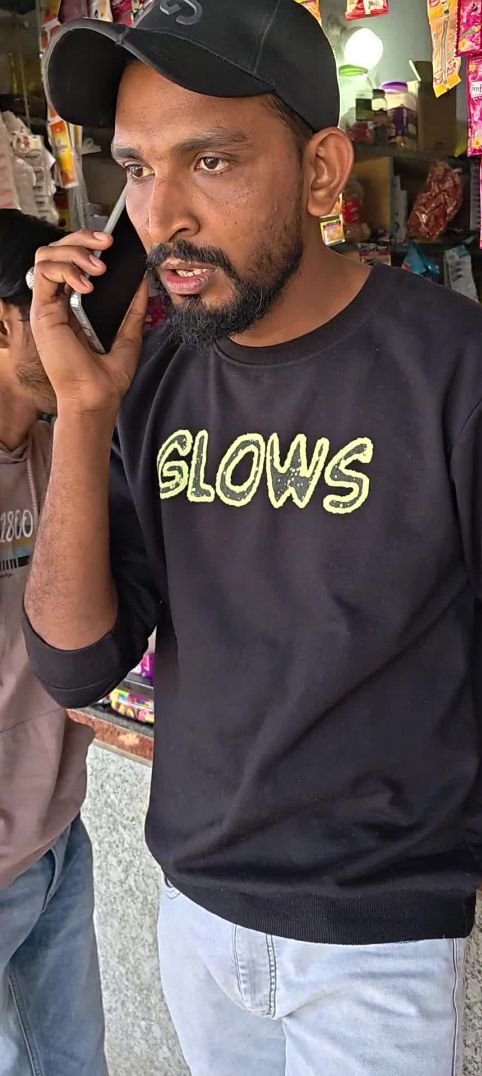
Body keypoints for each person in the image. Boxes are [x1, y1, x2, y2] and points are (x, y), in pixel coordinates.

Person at [23, 2, 482, 1074]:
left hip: (377, 947)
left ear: (323, 172)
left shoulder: (472, 373)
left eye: (211, 160)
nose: (163, 214)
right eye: (137, 169)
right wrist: (84, 410)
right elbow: (76, 662)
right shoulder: (155, 378)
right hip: (196, 913)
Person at [0, 209, 106, 1075]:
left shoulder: (59, 447)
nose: (76, 332)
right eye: (56, 307)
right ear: (6, 321)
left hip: (57, 840)